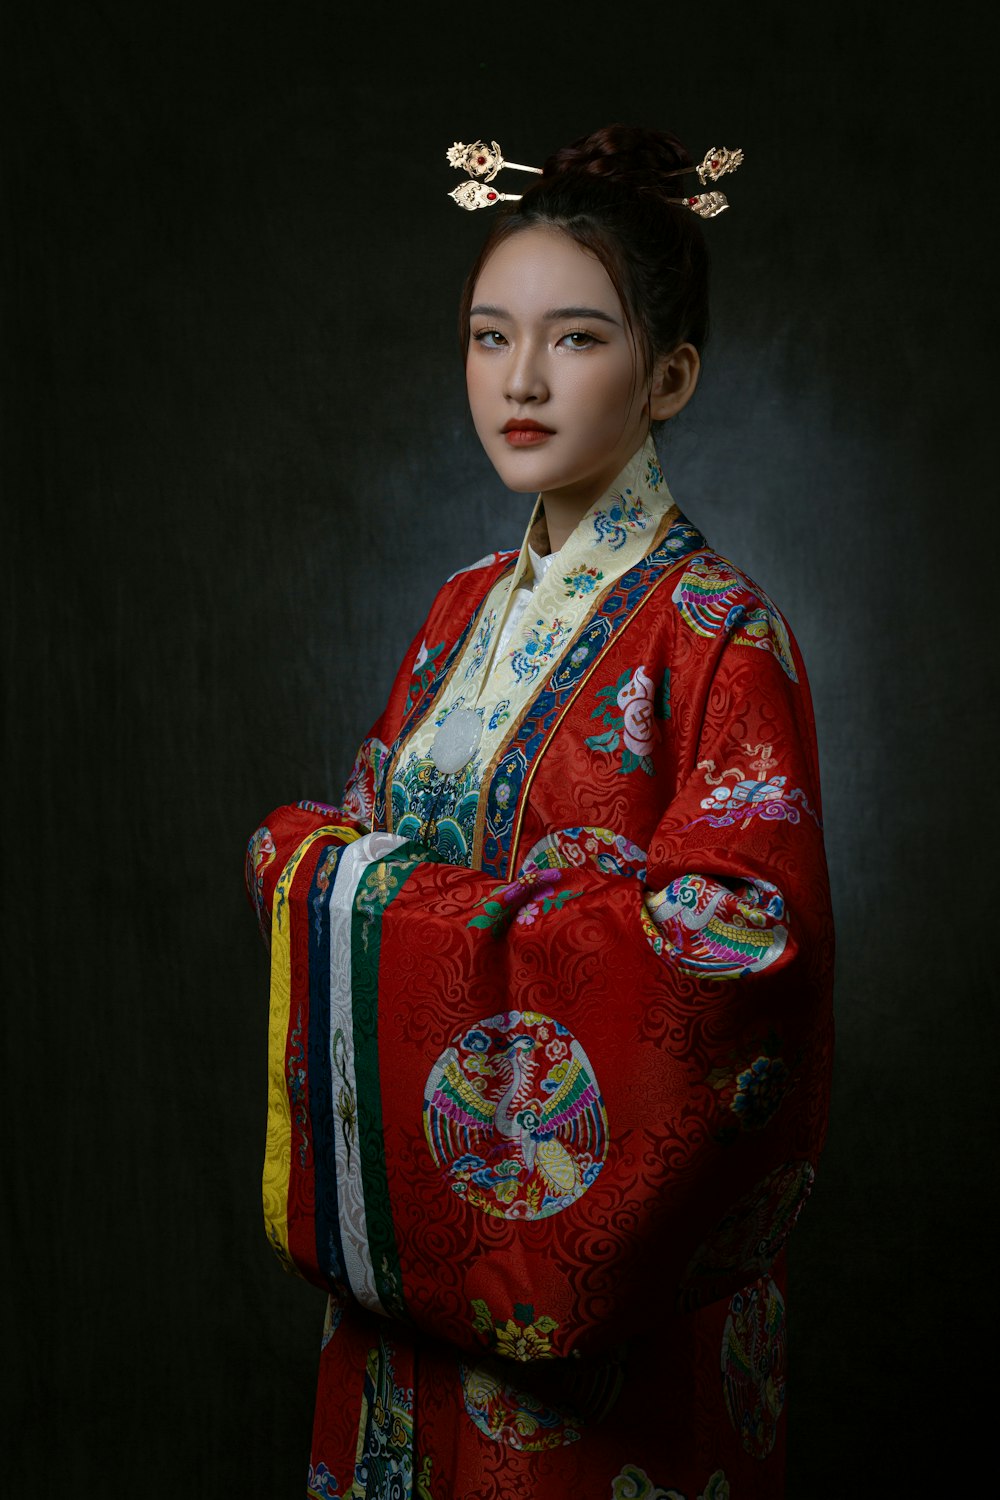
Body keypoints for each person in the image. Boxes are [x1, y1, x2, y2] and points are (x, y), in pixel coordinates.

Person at [246, 124, 834, 1500]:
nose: (517, 380)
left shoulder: (721, 635)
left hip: (606, 1266)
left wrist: (371, 893)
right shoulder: (460, 612)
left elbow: (741, 944)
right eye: (486, 335)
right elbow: (363, 828)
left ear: (668, 374)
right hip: (417, 1254)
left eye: (573, 340)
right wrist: (340, 877)